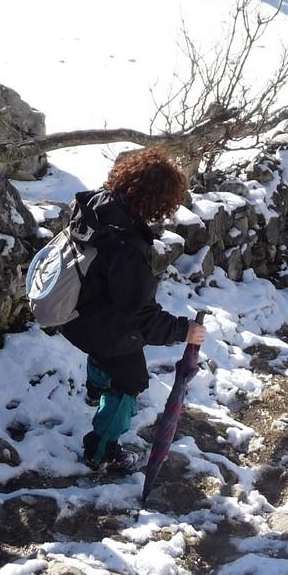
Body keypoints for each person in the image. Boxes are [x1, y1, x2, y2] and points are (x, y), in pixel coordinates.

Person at [58, 148, 206, 472]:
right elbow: (140, 316)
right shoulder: (127, 243)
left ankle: (96, 389)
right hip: (97, 325)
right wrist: (184, 330)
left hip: (75, 312)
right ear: (157, 200)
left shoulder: (98, 207)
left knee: (108, 353)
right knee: (132, 380)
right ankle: (101, 450)